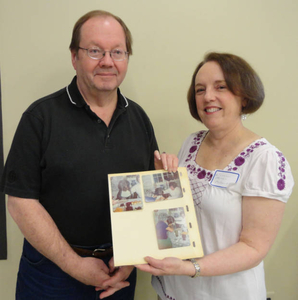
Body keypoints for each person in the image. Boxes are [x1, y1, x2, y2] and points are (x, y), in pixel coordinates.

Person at [0, 10, 177, 300]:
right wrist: (74, 265)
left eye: (117, 52)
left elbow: (146, 201)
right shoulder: (40, 117)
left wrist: (130, 262)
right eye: (95, 51)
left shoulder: (139, 119)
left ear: (127, 58)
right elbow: (20, 202)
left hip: (117, 272)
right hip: (51, 272)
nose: (107, 61)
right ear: (74, 56)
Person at [136, 52, 294, 300]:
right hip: (174, 290)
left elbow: (253, 247)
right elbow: (179, 220)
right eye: (200, 89)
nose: (208, 96)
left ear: (243, 96)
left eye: (221, 87)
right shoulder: (193, 142)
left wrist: (191, 268)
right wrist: (161, 181)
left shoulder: (265, 159)